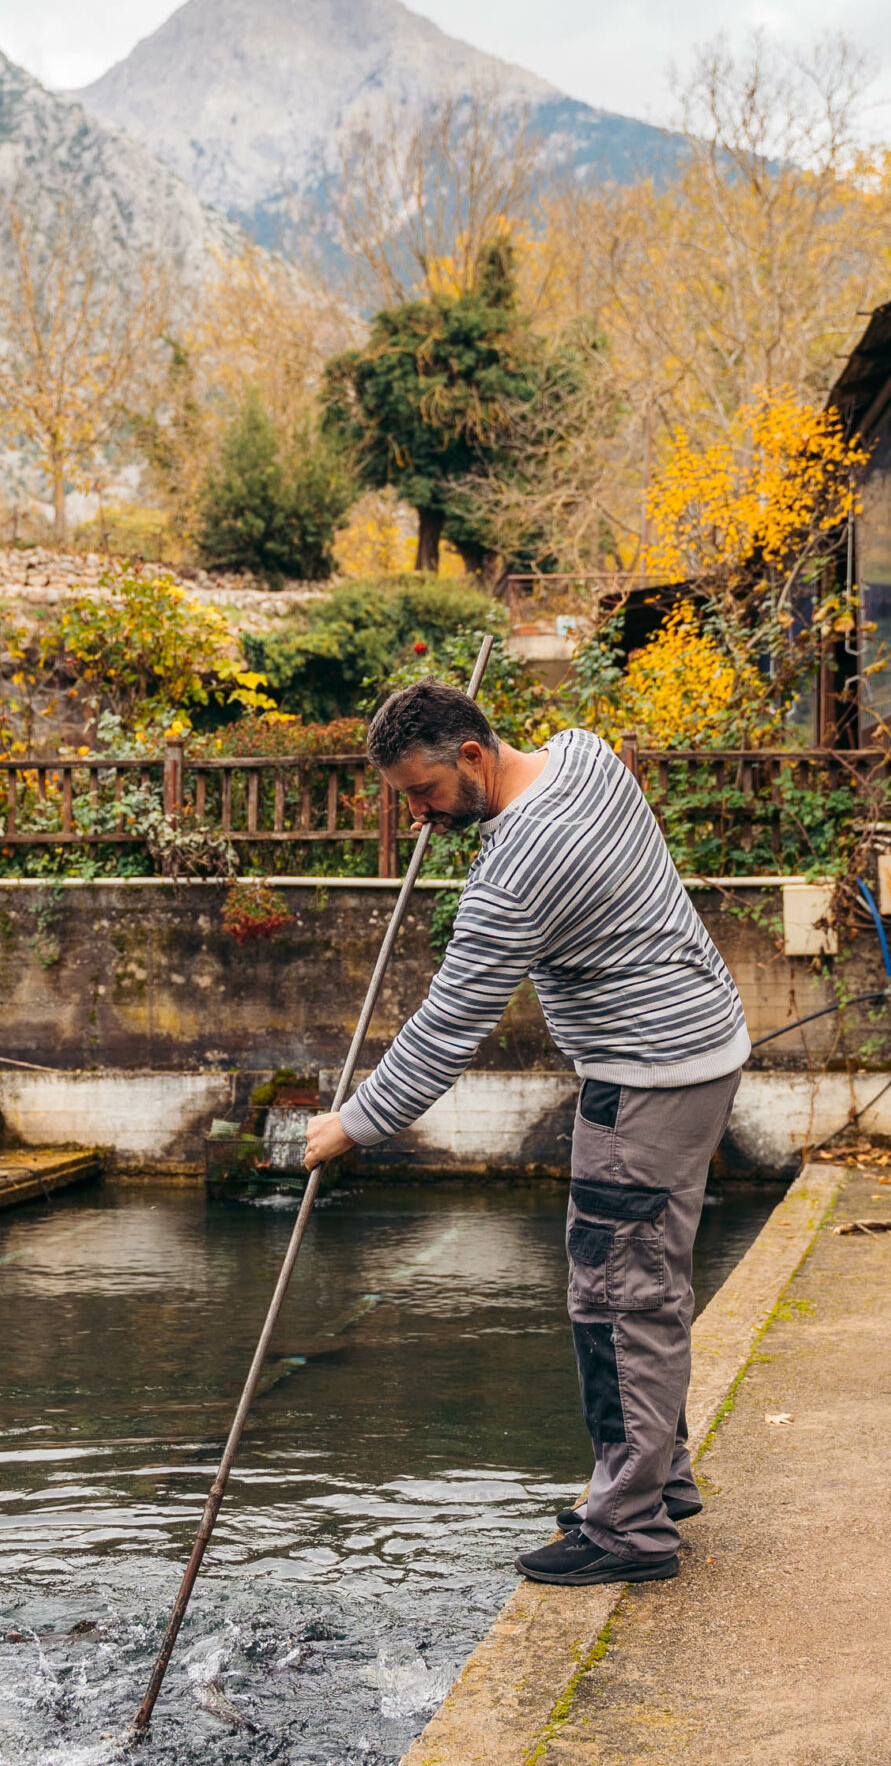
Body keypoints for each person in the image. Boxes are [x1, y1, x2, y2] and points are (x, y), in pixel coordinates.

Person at [303, 679, 750, 1586]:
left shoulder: (515, 875)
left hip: (646, 1077)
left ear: (471, 755)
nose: (422, 818)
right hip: (699, 1046)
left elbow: (445, 1029)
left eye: (424, 794)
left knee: (618, 1301)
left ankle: (629, 1531)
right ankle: (656, 1479)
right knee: (648, 1282)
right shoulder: (583, 753)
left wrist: (352, 1125)